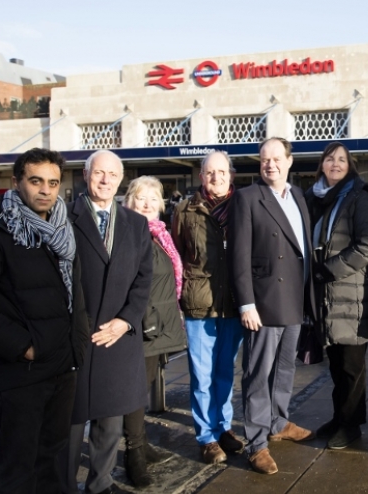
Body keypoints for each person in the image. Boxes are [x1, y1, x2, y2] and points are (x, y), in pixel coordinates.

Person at [0, 148, 88, 493]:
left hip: (62, 365)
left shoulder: (63, 232)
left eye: (53, 182)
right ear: (16, 183)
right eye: (36, 181)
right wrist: (24, 347)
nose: (46, 190)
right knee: (18, 468)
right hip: (20, 373)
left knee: (54, 461)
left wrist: (76, 345)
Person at [63, 149, 153, 494]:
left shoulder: (136, 223)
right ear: (87, 175)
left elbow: (143, 279)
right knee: (71, 420)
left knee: (110, 420)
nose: (105, 180)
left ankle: (100, 483)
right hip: (78, 335)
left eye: (112, 175)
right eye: (98, 173)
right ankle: (64, 483)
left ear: (120, 179)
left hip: (117, 336)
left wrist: (126, 321)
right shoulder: (65, 217)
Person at [229, 138, 315, 475]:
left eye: (277, 159)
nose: (271, 165)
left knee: (285, 368)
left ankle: (278, 422)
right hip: (264, 302)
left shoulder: (297, 195)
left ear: (289, 161)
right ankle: (256, 443)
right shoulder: (248, 197)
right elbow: (239, 255)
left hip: (295, 297)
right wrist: (247, 304)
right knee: (258, 373)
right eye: (265, 160)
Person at [171, 150, 245, 465]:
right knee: (202, 375)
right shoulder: (185, 209)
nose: (216, 177)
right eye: (210, 172)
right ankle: (206, 436)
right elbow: (176, 255)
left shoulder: (243, 206)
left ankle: (223, 426)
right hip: (199, 303)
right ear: (202, 176)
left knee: (225, 372)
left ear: (231, 175)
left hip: (233, 303)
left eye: (222, 172)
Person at [304, 142, 368, 450]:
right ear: (321, 164)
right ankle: (339, 417)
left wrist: (328, 270)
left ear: (351, 166)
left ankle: (351, 425)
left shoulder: (358, 198)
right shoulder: (312, 198)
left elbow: (367, 247)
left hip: (349, 292)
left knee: (351, 364)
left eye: (342, 160)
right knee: (335, 362)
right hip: (323, 294)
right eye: (330, 159)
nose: (335, 163)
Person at [121, 176, 187, 487]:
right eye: (140, 198)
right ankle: (133, 454)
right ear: (129, 202)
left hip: (160, 324)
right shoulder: (131, 235)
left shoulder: (159, 233)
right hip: (143, 327)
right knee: (134, 390)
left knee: (143, 385)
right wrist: (144, 319)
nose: (146, 204)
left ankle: (142, 442)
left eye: (152, 199)